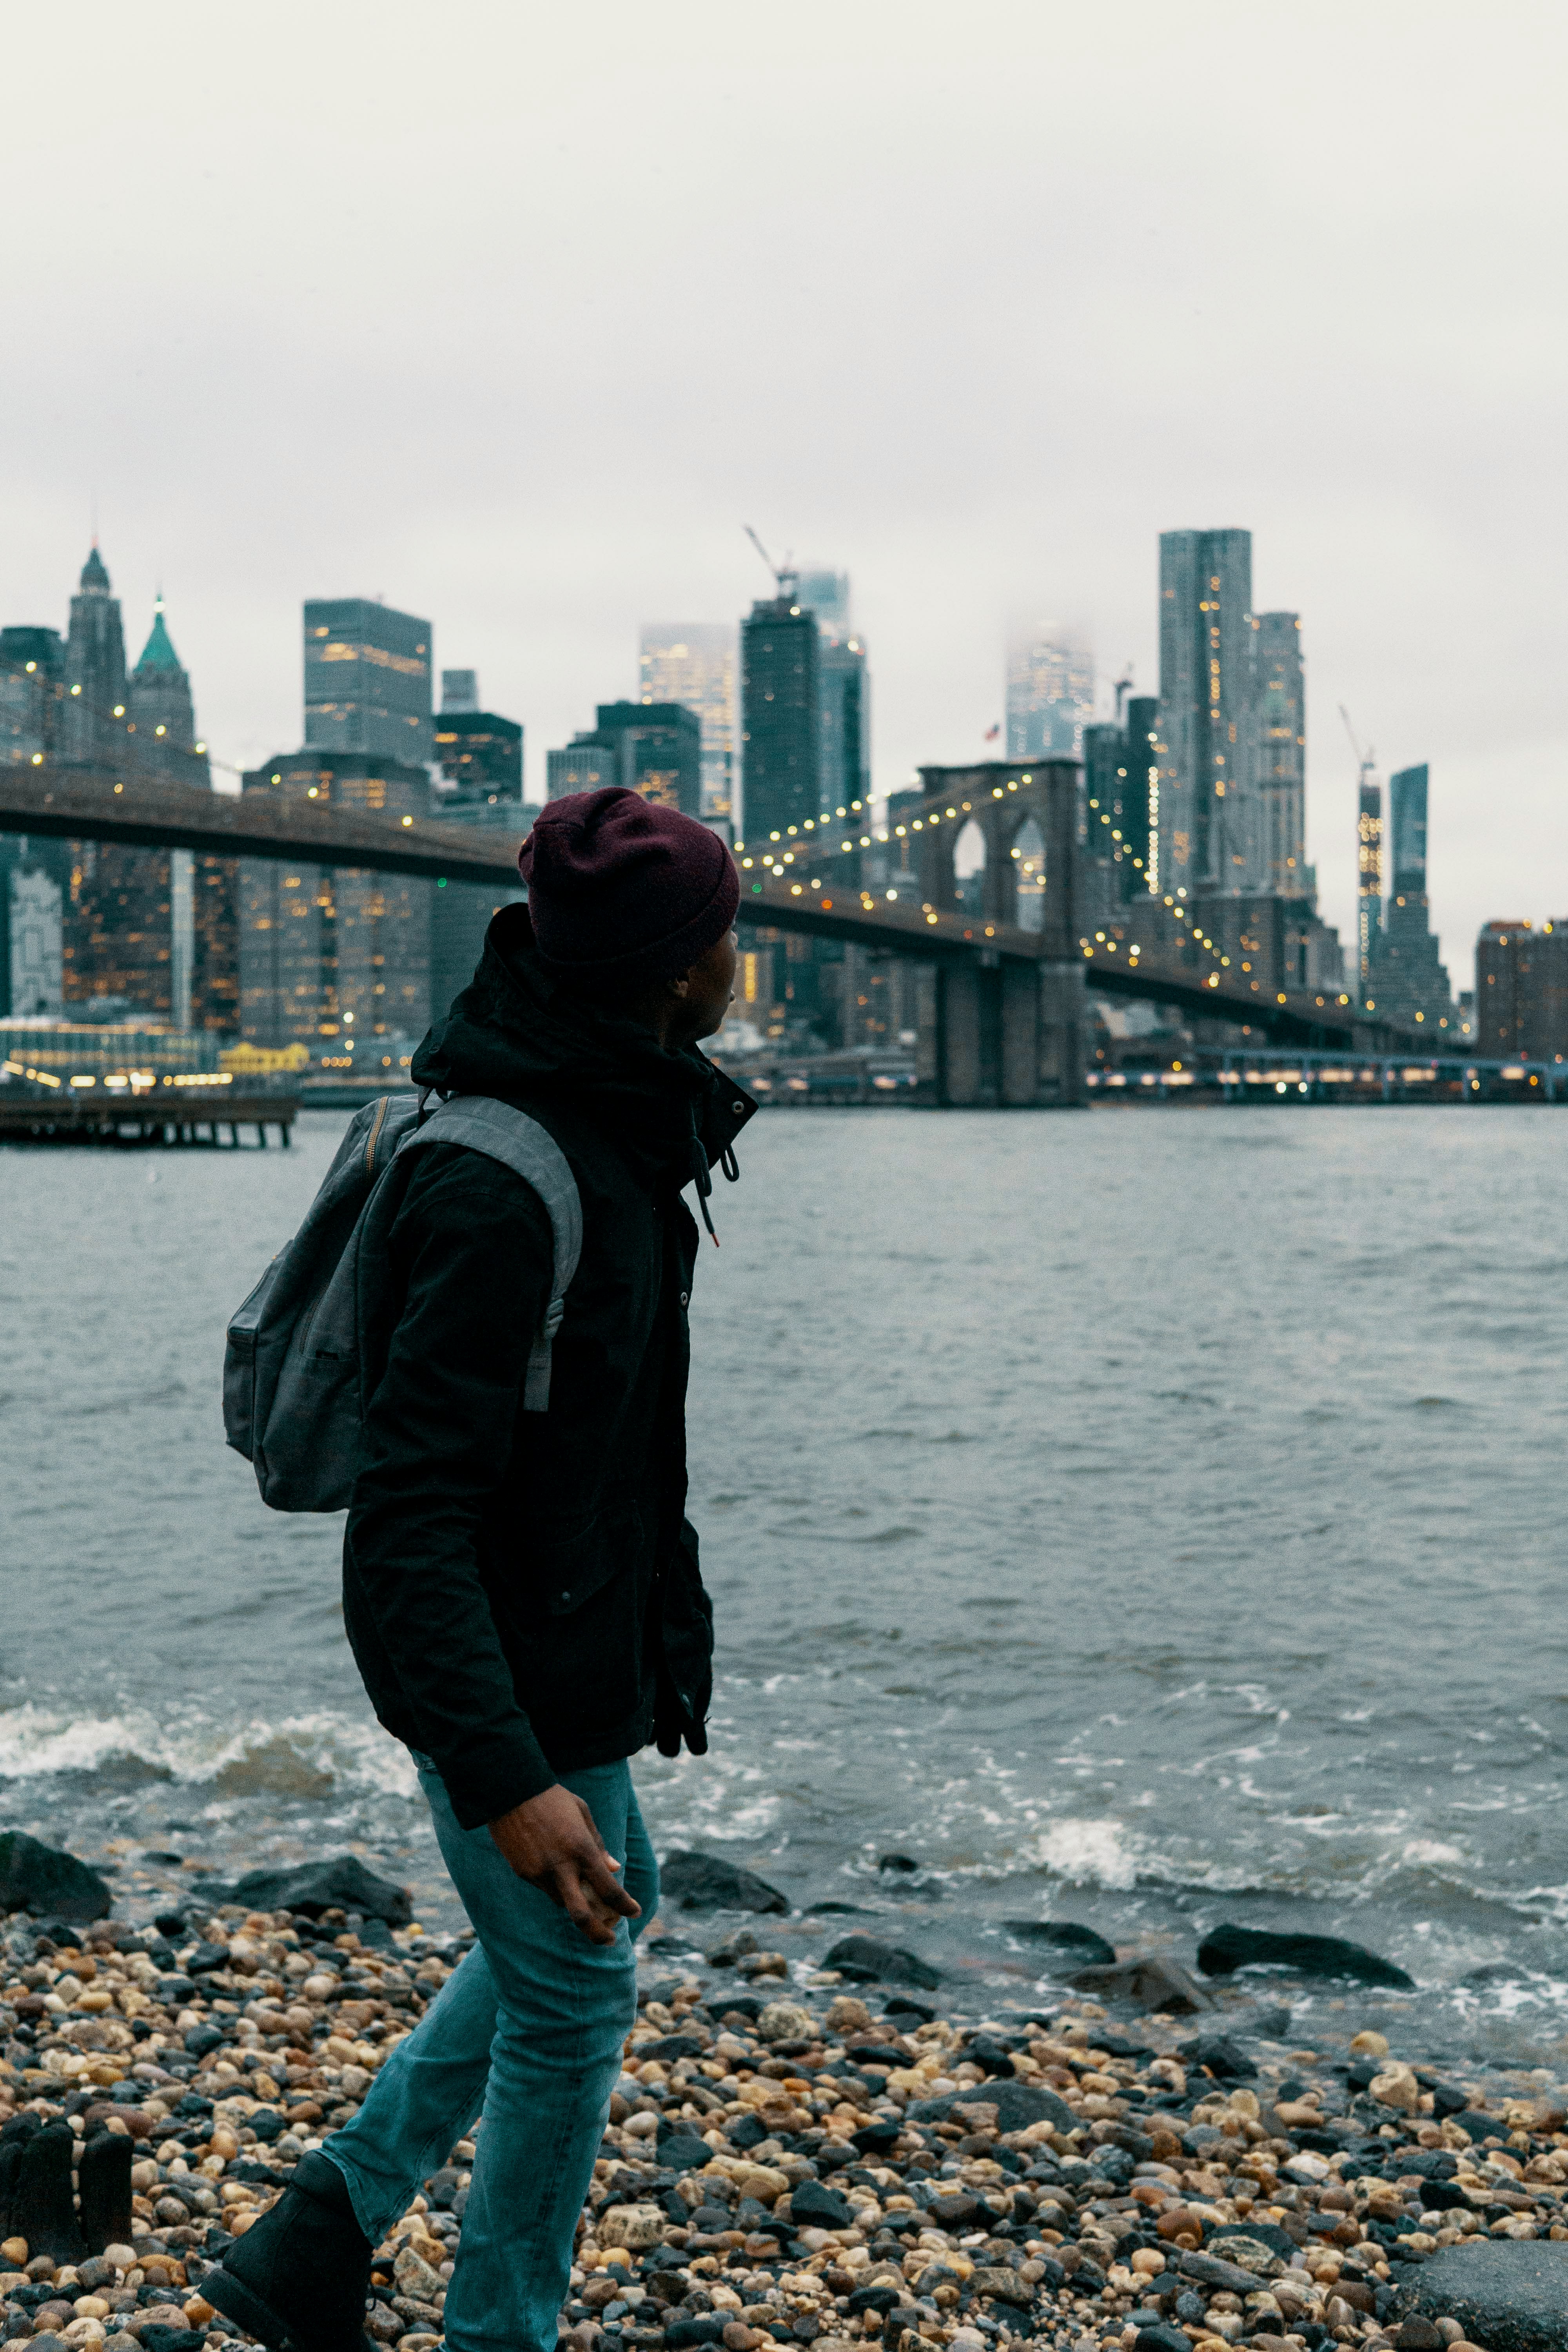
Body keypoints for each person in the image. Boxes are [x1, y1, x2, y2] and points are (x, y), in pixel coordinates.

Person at [208, 787, 752, 2352]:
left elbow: (602, 1457)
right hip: (497, 1671)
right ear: (674, 968)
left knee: (607, 1908)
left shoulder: (619, 1122)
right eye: (725, 933)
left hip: (567, 1647)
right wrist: (508, 1777)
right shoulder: (505, 1182)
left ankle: (322, 2229)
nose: (741, 957)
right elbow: (409, 1522)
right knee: (575, 2002)